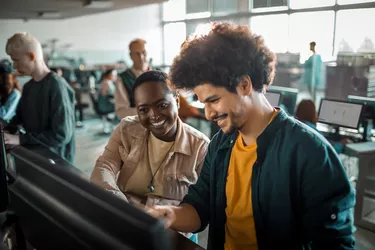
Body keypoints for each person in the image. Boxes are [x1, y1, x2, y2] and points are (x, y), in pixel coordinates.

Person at [149, 23, 356, 249]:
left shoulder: (310, 152)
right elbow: (199, 207)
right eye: (203, 103)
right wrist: (168, 214)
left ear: (244, 84)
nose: (208, 114)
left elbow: (336, 244)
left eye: (214, 100)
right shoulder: (221, 144)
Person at [90, 70, 209, 243]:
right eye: (144, 109)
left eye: (162, 105)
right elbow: (104, 167)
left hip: (172, 233)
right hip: (128, 223)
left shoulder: (200, 147)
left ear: (176, 101)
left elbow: (200, 208)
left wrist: (157, 216)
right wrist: (121, 205)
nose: (153, 115)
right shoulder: (127, 129)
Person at [4, 32, 76, 163]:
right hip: (36, 157)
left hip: (56, 163)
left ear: (31, 56)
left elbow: (61, 136)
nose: (14, 66)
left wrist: (20, 139)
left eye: (16, 60)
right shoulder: (28, 87)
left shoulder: (56, 86)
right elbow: (20, 119)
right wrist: (7, 129)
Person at [115, 38, 151, 119]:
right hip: (137, 126)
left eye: (144, 53)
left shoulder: (160, 75)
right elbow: (121, 111)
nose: (141, 57)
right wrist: (148, 111)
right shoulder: (123, 78)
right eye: (137, 53)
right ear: (131, 56)